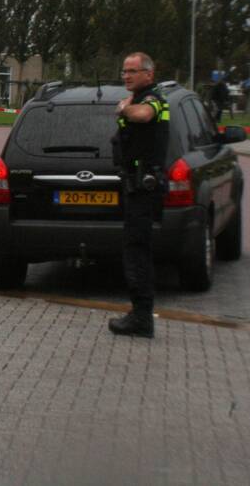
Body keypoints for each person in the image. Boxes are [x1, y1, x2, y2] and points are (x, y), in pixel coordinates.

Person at [108, 52, 170, 339]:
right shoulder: (138, 98)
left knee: (137, 252)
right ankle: (139, 314)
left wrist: (124, 109)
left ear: (149, 74)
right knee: (133, 250)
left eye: (132, 71)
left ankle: (142, 318)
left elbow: (144, 115)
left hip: (144, 189)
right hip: (135, 185)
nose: (126, 76)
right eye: (124, 71)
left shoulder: (153, 99)